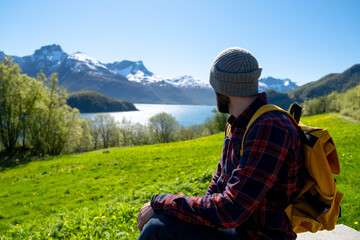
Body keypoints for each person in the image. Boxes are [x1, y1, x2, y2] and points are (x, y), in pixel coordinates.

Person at [137, 47, 303, 240]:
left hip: (258, 236)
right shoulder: (238, 122)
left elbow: (231, 210)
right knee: (164, 219)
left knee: (157, 229)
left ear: (223, 88)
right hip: (238, 229)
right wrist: (173, 208)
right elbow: (218, 185)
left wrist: (162, 202)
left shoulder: (270, 128)